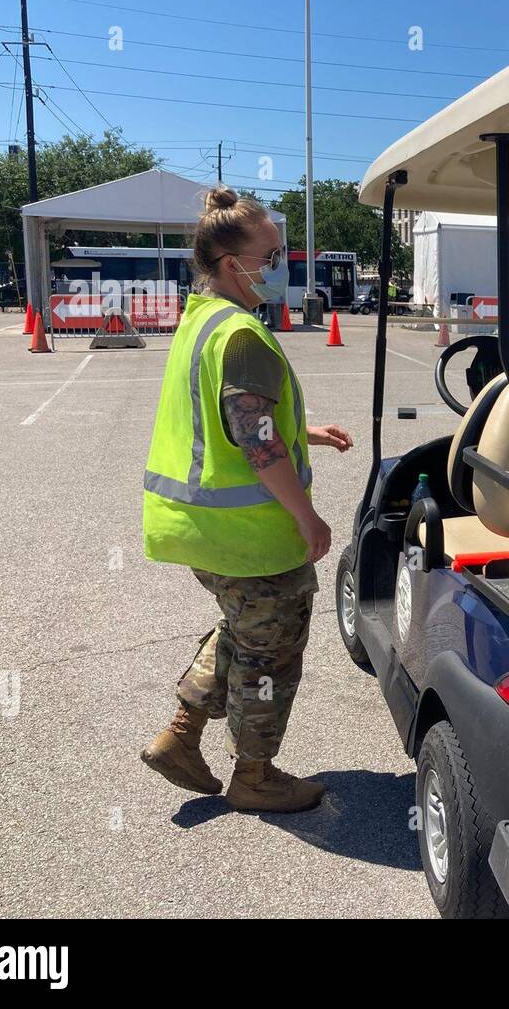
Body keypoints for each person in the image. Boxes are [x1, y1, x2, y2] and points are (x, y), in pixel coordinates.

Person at [140, 186, 352, 813]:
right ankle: (255, 776)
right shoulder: (241, 335)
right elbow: (256, 441)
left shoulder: (199, 319)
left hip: (202, 530)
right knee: (271, 653)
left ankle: (180, 737)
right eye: (273, 255)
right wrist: (306, 515)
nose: (281, 265)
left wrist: (300, 429)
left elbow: (235, 419)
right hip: (252, 539)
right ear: (233, 264)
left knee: (241, 630)